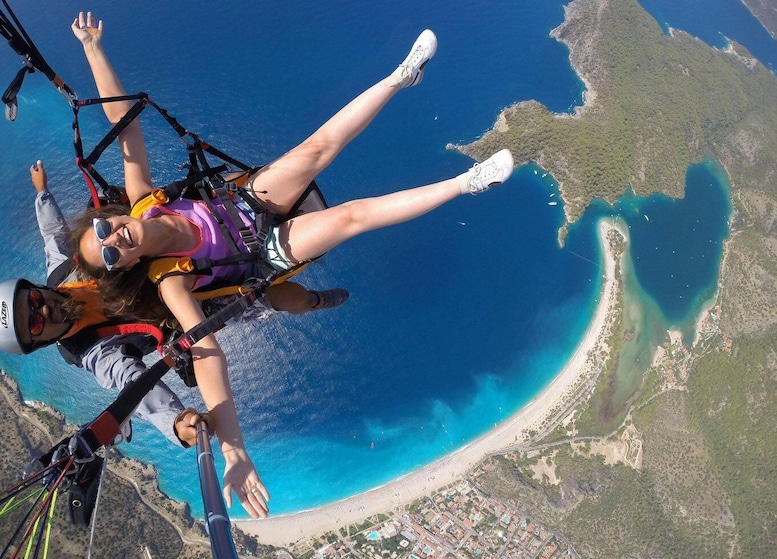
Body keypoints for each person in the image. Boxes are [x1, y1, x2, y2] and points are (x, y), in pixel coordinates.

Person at [70, 12, 515, 518]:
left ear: (110, 216)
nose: (114, 238)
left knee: (316, 148)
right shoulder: (168, 278)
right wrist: (235, 452)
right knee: (352, 216)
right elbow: (206, 353)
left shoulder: (143, 202)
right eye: (109, 252)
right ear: (123, 265)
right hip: (261, 253)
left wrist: (92, 49)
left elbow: (123, 125)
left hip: (238, 205)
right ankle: (470, 183)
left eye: (104, 229)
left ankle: (401, 76)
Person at [0, 160, 349, 447]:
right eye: (34, 323)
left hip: (156, 249)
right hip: (189, 299)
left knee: (224, 189)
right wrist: (178, 422)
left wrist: (42, 191)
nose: (42, 310)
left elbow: (53, 233)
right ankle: (315, 301)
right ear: (40, 342)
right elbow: (134, 386)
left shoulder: (62, 272)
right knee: (279, 295)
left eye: (31, 300)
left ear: (35, 288)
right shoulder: (94, 352)